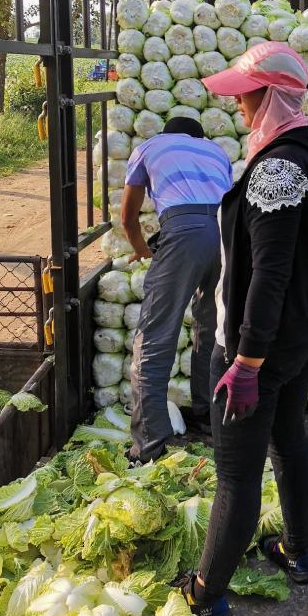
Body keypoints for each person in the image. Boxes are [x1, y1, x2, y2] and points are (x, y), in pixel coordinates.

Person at [173, 41, 308, 616]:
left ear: (268, 96)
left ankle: (207, 591)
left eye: (245, 96)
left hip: (261, 343)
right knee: (289, 434)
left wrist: (245, 361)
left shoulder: (275, 170)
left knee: (237, 473)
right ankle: (298, 550)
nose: (239, 106)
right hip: (301, 333)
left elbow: (270, 273)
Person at [121, 116, 232, 463]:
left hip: (184, 231)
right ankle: (208, 418)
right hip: (227, 235)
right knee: (213, 330)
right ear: (200, 137)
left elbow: (128, 216)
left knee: (155, 334)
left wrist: (141, 248)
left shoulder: (149, 147)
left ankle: (149, 445)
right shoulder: (217, 151)